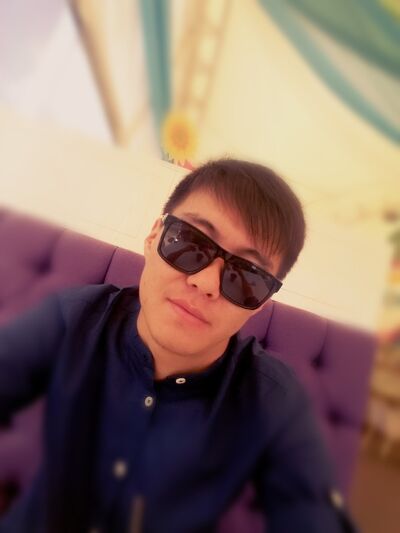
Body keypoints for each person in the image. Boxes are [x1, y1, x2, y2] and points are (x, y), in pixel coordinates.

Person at [0, 159, 356, 532]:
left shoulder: (272, 399)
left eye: (247, 277)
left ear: (261, 303)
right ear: (154, 236)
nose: (206, 282)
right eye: (191, 241)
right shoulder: (73, 318)